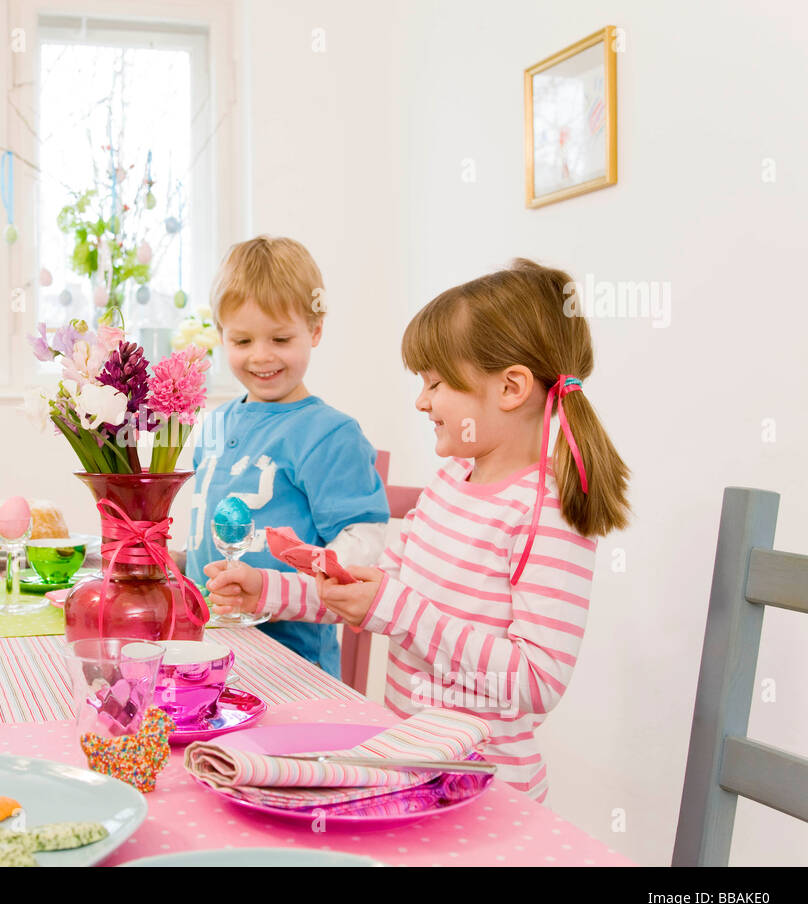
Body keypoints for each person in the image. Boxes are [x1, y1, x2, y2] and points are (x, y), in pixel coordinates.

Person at [206, 258, 631, 803]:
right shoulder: (452, 480)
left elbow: (535, 682)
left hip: (484, 792)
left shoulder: (546, 513)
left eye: (436, 383)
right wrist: (270, 589)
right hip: (411, 768)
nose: (422, 400)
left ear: (511, 388)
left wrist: (399, 611)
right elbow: (373, 589)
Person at [183, 236, 390, 676]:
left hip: (294, 668)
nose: (261, 356)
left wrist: (276, 590)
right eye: (241, 340)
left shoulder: (331, 434)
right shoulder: (214, 425)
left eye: (280, 338)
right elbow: (212, 537)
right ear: (220, 336)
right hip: (208, 653)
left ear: (315, 330)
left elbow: (361, 549)